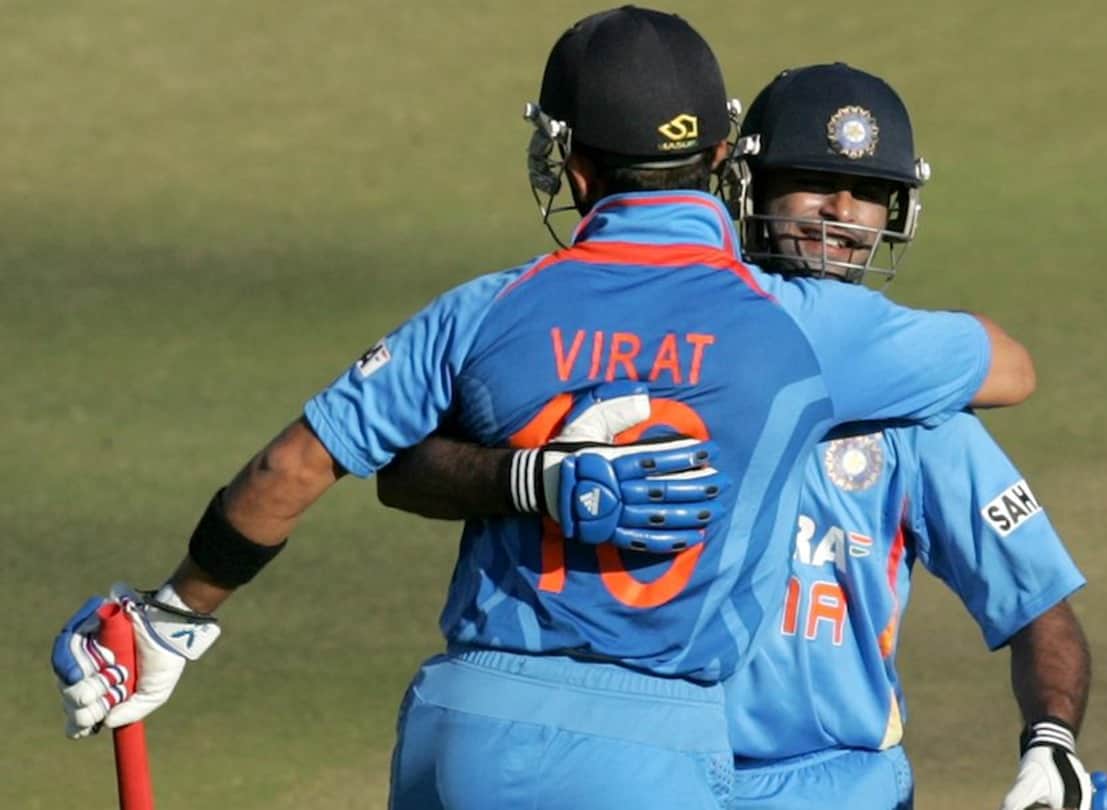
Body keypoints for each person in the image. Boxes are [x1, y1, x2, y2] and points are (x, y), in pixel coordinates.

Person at [52, 10, 1037, 810]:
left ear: (572, 165)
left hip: (463, 723)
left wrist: (170, 615)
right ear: (726, 155)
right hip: (652, 742)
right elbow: (1008, 366)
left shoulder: (490, 305)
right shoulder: (803, 324)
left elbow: (296, 470)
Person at [377, 63, 1097, 810]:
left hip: (837, 784)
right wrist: (527, 480)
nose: (842, 213)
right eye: (809, 181)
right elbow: (408, 468)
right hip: (635, 761)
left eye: (871, 194)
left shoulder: (922, 414)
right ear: (746, 186)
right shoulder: (645, 344)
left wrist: (1053, 741)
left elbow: (1036, 604)